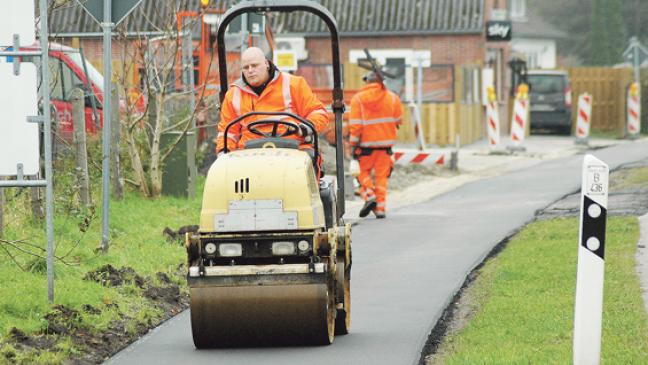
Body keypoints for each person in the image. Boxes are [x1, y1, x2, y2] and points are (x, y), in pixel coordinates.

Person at [216, 47, 329, 171]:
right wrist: (223, 153)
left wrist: (303, 128)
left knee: (309, 161)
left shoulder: (294, 84)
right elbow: (228, 132)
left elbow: (318, 112)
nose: (250, 71)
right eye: (246, 67)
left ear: (266, 64)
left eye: (254, 65)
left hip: (292, 149)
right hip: (249, 154)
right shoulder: (233, 94)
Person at [349, 71, 403, 219]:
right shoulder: (393, 98)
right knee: (381, 178)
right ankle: (380, 209)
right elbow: (398, 120)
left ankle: (370, 196)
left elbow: (356, 125)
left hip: (365, 146)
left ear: (367, 82)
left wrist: (353, 144)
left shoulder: (358, 99)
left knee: (361, 173)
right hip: (385, 147)